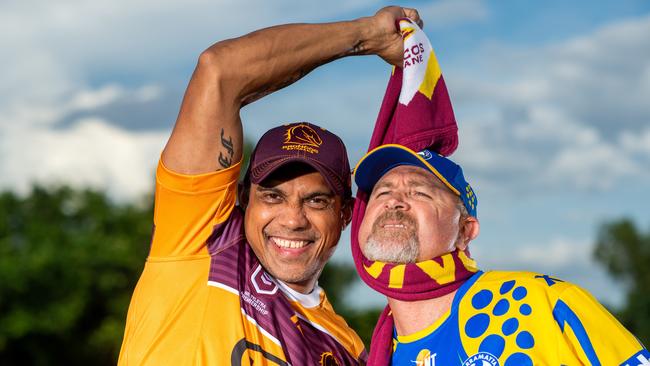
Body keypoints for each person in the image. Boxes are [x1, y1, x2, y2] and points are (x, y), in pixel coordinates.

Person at [118, 6, 423, 365]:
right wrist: (367, 34)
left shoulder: (348, 350)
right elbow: (219, 70)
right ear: (245, 198)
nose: (293, 219)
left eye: (315, 201)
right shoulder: (200, 241)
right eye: (273, 196)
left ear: (344, 215)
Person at [351, 144, 650, 365]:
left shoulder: (542, 300)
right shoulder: (368, 351)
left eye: (420, 193)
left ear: (465, 232)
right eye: (382, 192)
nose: (395, 202)